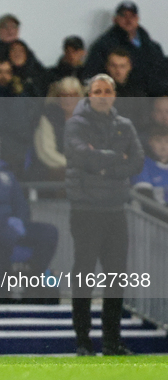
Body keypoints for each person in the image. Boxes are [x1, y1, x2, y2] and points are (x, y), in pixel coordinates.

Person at [64, 74, 144, 356]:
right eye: (97, 90)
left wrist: (103, 165)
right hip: (86, 210)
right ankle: (83, 340)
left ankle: (112, 340)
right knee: (84, 274)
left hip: (115, 210)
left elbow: (136, 161)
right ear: (89, 95)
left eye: (107, 90)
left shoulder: (125, 125)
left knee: (116, 277)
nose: (102, 95)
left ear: (114, 94)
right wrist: (115, 160)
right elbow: (83, 156)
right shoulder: (75, 124)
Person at [0, 139, 58, 279]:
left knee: (49, 232)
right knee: (5, 235)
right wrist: (1, 221)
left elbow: (20, 203)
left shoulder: (6, 174)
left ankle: (34, 275)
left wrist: (19, 221)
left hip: (12, 224)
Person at [83, 2, 167, 96]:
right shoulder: (103, 46)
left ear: (137, 19)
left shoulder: (152, 47)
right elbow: (92, 74)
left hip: (153, 99)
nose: (128, 20)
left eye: (132, 16)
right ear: (115, 19)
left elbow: (162, 71)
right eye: (123, 16)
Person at [32, 77, 84, 181]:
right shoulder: (47, 118)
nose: (68, 100)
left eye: (72, 95)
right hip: (54, 170)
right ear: (58, 97)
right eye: (64, 95)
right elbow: (47, 152)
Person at [104, 48, 147, 132]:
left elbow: (143, 120)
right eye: (114, 66)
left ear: (129, 67)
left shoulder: (138, 92)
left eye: (122, 66)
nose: (118, 71)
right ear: (107, 66)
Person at [132, 124, 168, 205]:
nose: (163, 146)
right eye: (158, 140)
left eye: (167, 141)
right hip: (153, 214)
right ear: (150, 142)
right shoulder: (142, 164)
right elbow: (145, 198)